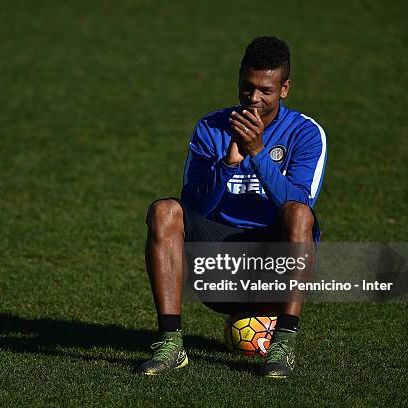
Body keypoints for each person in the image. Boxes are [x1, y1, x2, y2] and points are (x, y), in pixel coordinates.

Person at [136, 36, 327, 378]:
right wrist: (227, 164)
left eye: (265, 91)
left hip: (274, 267)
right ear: (239, 80)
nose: (254, 98)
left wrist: (258, 155)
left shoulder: (306, 133)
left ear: (284, 88)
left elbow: (298, 204)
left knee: (299, 214)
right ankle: (170, 344)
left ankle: (283, 344)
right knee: (164, 210)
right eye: (247, 87)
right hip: (217, 263)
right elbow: (193, 205)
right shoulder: (210, 127)